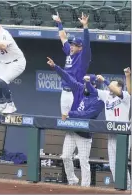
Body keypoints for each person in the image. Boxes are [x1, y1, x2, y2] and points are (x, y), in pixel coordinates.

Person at [47, 57, 104, 187]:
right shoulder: (79, 88)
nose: (84, 84)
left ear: (94, 85)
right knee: (65, 156)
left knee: (83, 161)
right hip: (72, 130)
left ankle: (85, 187)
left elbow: (86, 115)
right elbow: (68, 78)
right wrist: (55, 66)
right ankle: (72, 180)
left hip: (84, 134)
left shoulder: (98, 101)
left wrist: (70, 114)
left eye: (88, 82)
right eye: (84, 82)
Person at [95, 72, 131, 189]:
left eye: (113, 86)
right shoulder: (107, 95)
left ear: (120, 87)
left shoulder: (125, 96)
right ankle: (119, 187)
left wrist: (104, 81)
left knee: (121, 164)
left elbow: (114, 89)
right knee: (112, 165)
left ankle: (128, 188)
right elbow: (93, 91)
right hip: (111, 134)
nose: (110, 87)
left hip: (123, 135)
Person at [52, 12, 91, 117]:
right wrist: (59, 24)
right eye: (72, 44)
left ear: (80, 48)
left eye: (75, 45)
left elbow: (87, 43)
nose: (72, 46)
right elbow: (63, 38)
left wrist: (85, 26)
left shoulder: (83, 57)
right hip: (65, 92)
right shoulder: (69, 50)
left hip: (76, 93)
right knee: (64, 119)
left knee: (75, 119)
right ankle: (68, 134)